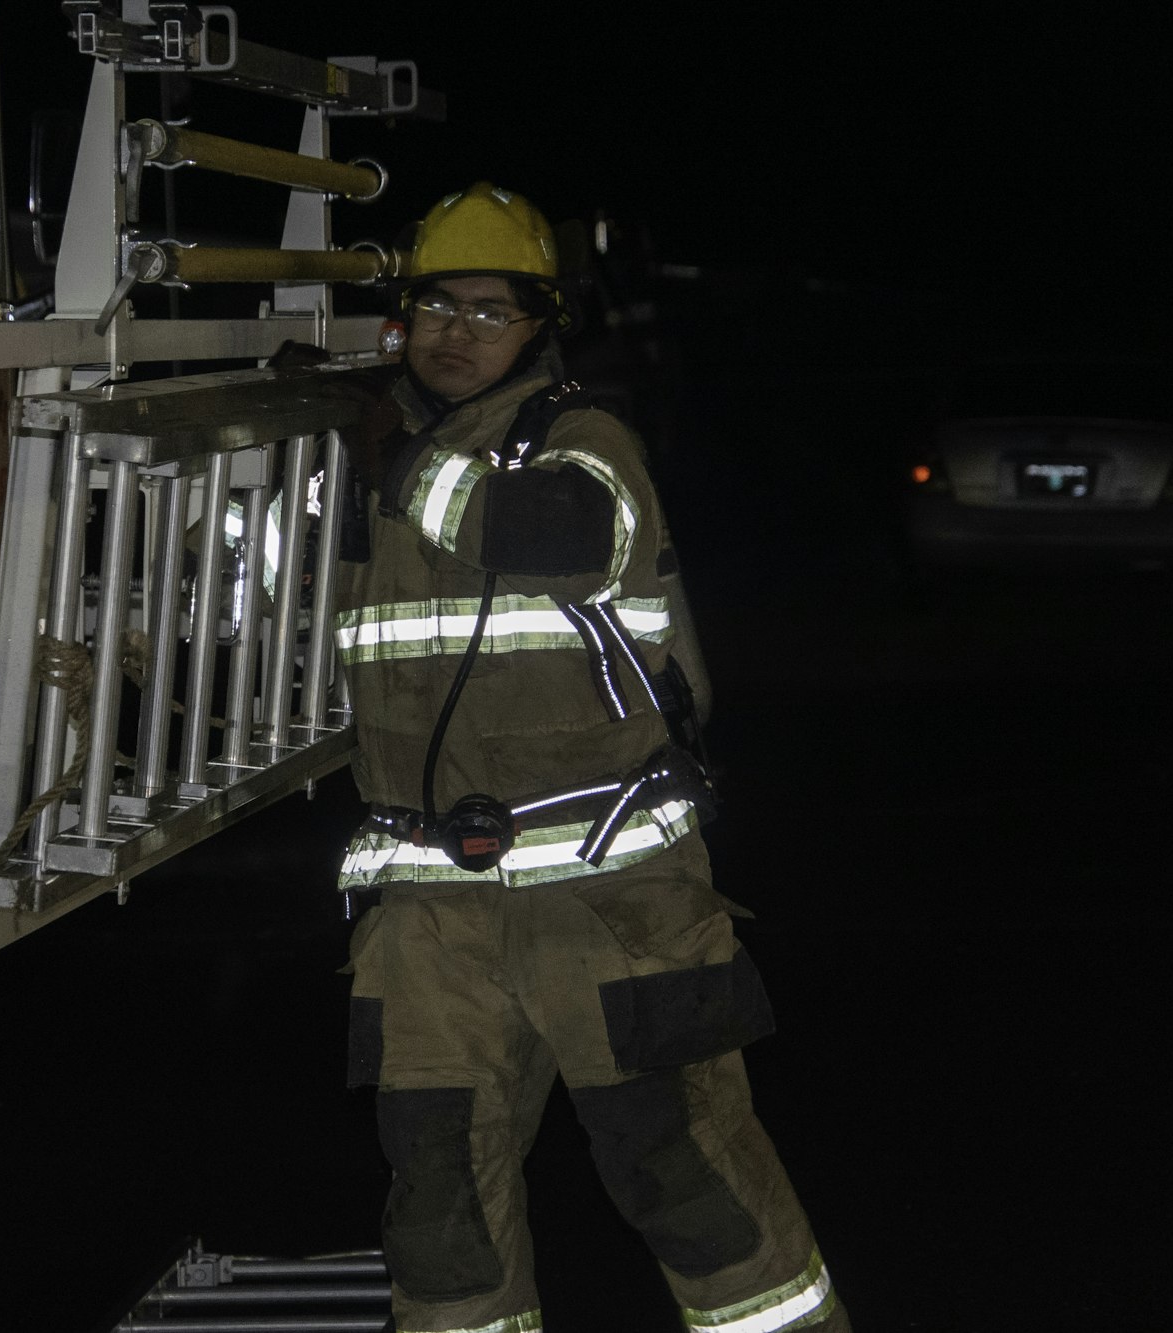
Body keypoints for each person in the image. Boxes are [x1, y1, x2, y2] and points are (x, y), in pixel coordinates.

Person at [333, 183, 847, 1333]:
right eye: (435, 307)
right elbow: (263, 632)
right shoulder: (364, 477)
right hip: (428, 918)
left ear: (539, 327)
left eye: (488, 310)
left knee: (690, 1183)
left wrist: (398, 459)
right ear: (399, 319)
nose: (455, 333)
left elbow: (551, 540)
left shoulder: (579, 443)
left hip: (613, 898)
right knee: (439, 1217)